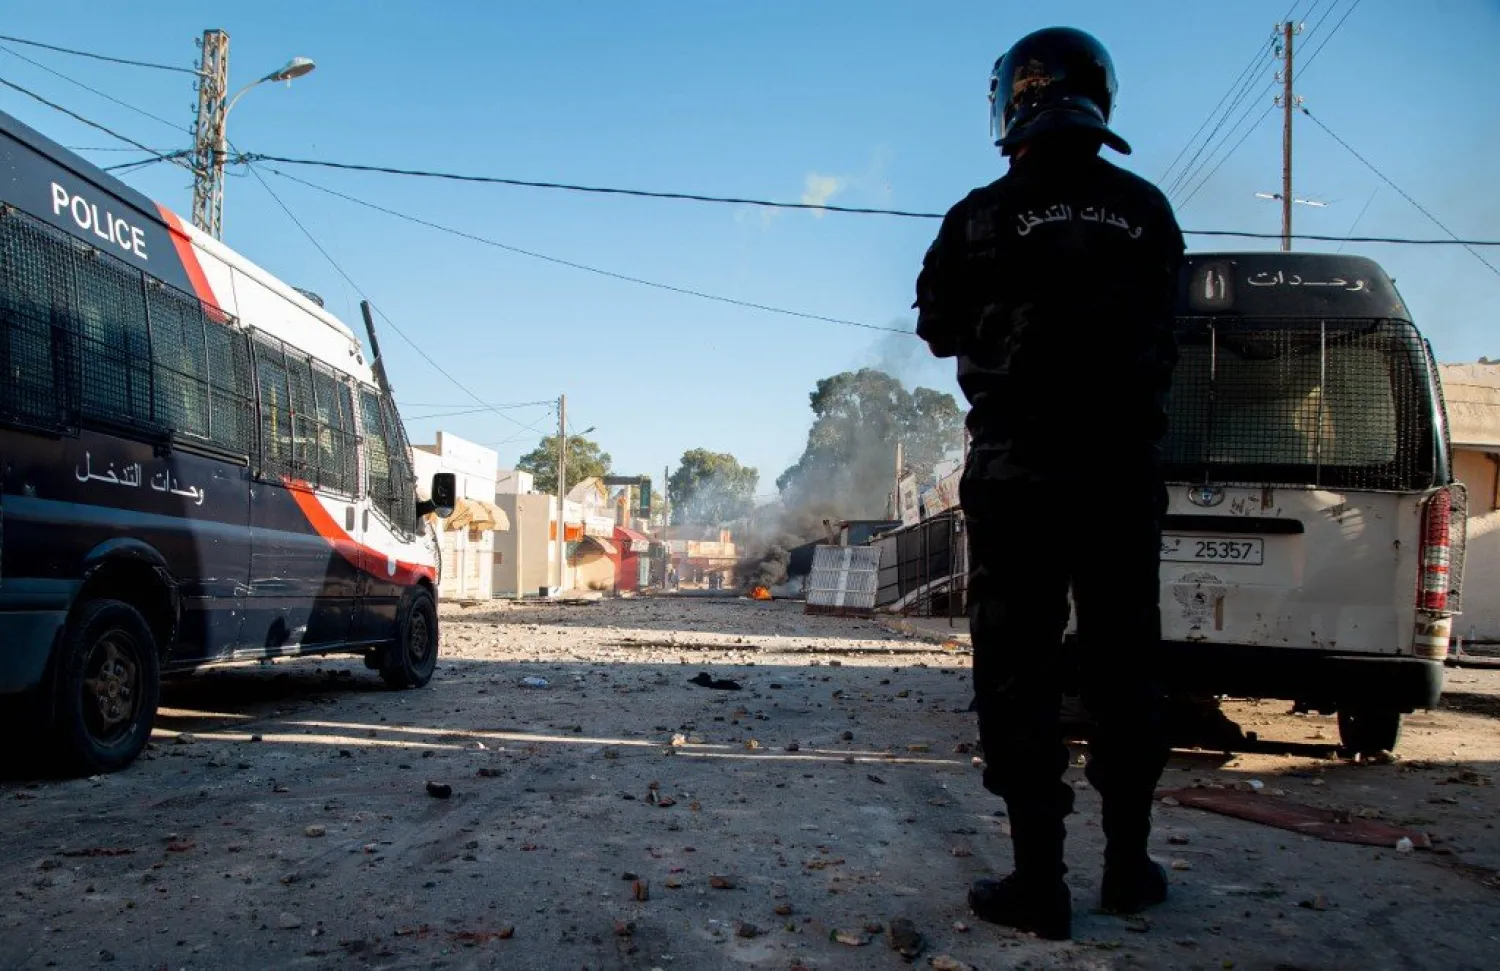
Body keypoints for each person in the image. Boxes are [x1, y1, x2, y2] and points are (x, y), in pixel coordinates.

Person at [914, 26, 1186, 940]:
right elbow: (1171, 327)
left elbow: (938, 329)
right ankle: (1126, 867)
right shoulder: (1147, 213)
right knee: (1124, 664)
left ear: (1009, 106)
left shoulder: (977, 217)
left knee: (1018, 675)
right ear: (1100, 98)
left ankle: (1041, 883)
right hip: (1120, 476)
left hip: (1018, 478)